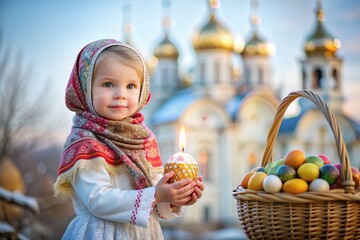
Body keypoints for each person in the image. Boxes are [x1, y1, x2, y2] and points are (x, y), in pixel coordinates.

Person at [53, 39, 204, 240]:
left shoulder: (142, 139)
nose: (120, 95)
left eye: (131, 86)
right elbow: (97, 200)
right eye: (108, 84)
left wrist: (174, 198)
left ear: (142, 91)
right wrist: (156, 195)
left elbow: (155, 203)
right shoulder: (85, 140)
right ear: (85, 89)